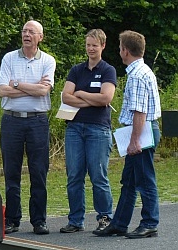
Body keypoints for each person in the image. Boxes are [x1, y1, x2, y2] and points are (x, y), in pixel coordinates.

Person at [94, 30, 161, 238]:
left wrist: (134, 141)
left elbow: (139, 112)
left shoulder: (137, 76)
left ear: (125, 50)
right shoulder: (140, 71)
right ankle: (120, 223)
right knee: (129, 181)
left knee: (145, 180)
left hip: (142, 132)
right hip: (142, 130)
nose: (119, 51)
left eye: (120, 47)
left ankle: (150, 222)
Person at [0, 20, 56, 235]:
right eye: (24, 31)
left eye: (32, 31)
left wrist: (16, 84)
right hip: (12, 121)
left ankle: (39, 220)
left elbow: (44, 92)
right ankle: (12, 219)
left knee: (38, 172)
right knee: (11, 172)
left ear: (40, 37)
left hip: (37, 121)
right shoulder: (9, 58)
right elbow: (2, 91)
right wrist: (31, 87)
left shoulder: (48, 61)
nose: (27, 34)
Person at [59, 29, 116, 234]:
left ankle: (105, 218)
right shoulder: (77, 70)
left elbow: (105, 99)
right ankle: (76, 220)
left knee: (98, 175)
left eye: (94, 45)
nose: (90, 49)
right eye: (88, 45)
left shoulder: (108, 70)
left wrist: (81, 93)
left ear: (102, 45)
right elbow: (66, 97)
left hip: (98, 129)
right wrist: (91, 100)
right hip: (74, 127)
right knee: (74, 175)